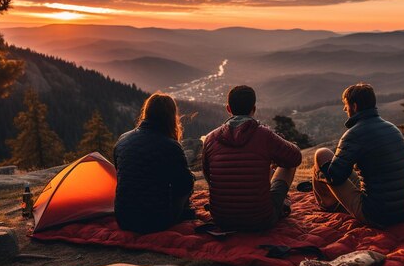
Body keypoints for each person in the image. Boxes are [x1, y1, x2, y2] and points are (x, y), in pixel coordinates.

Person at [202, 85, 302, 231]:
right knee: (288, 163)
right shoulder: (264, 135)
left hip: (221, 219)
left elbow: (208, 175)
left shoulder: (211, 138)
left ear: (228, 109)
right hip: (260, 220)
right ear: (253, 109)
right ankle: (279, 201)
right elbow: (296, 158)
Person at [313, 83, 404, 227]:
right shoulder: (393, 128)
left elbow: (335, 177)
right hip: (403, 210)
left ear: (355, 106)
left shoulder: (354, 135)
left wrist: (321, 171)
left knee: (321, 154)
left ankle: (326, 203)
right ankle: (328, 199)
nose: (344, 109)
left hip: (376, 215)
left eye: (346, 105)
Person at [113, 92, 195, 234]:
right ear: (171, 116)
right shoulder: (170, 146)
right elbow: (185, 185)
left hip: (124, 218)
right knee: (187, 182)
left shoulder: (123, 140)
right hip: (156, 221)